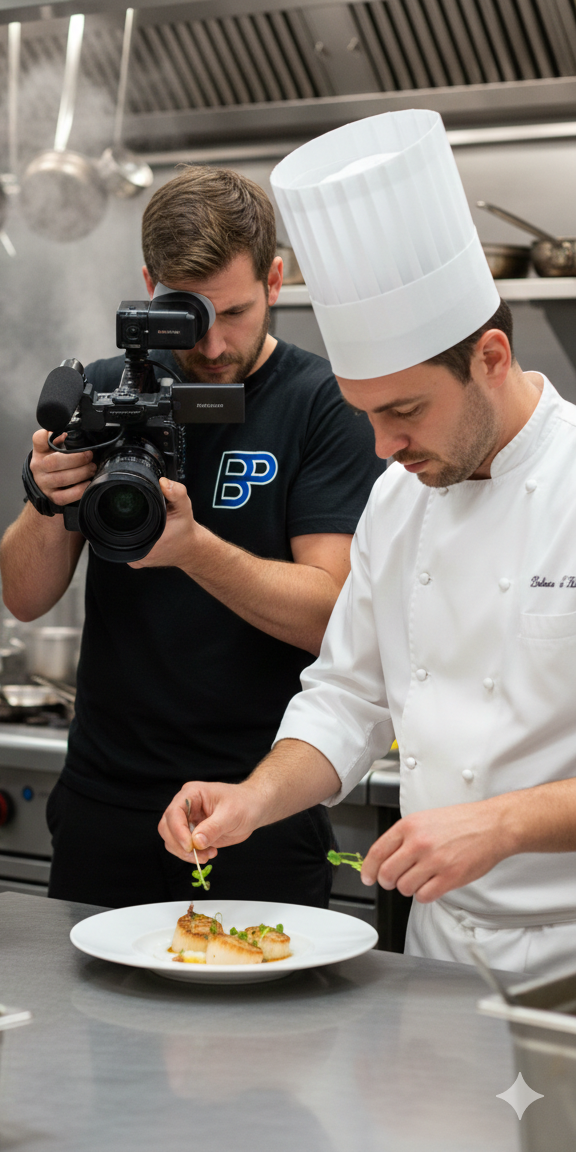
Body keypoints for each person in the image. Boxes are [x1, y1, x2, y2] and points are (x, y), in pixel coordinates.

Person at [159, 110, 576, 973]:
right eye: (365, 414)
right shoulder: (400, 497)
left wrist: (503, 823)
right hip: (439, 949)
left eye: (405, 411)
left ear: (491, 358)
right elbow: (348, 697)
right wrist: (253, 799)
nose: (384, 448)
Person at [0, 166, 384, 907]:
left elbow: (332, 617)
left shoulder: (324, 404)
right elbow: (24, 598)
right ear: (150, 287)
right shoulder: (106, 391)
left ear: (276, 280)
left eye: (235, 312)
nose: (212, 344)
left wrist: (193, 550)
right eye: (187, 314)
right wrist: (45, 496)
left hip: (259, 800)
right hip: (105, 798)